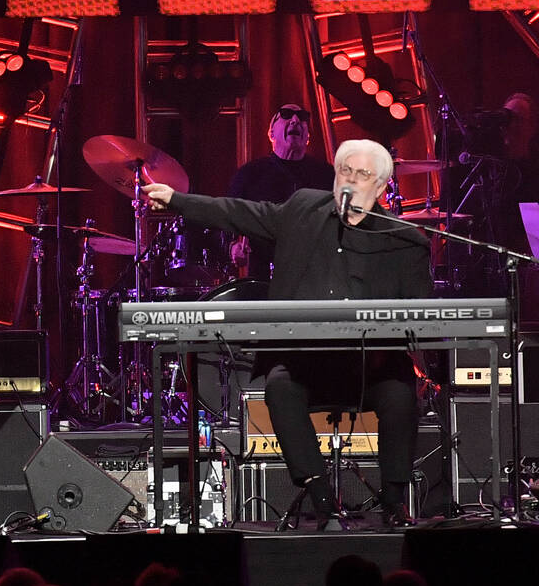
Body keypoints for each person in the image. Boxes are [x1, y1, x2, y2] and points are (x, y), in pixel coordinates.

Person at [144, 138, 430, 529]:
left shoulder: (404, 240)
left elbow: (420, 318)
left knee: (400, 392)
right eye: (344, 171)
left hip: (371, 367)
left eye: (361, 175)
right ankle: (322, 501)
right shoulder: (302, 209)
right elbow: (238, 212)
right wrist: (178, 200)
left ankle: (394, 503)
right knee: (280, 386)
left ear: (381, 186)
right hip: (306, 363)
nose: (350, 181)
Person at [226, 103, 334, 280]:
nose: (295, 120)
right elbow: (225, 222)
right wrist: (233, 247)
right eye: (286, 114)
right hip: (263, 284)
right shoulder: (250, 174)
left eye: (302, 117)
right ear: (271, 133)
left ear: (308, 136)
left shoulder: (327, 175)